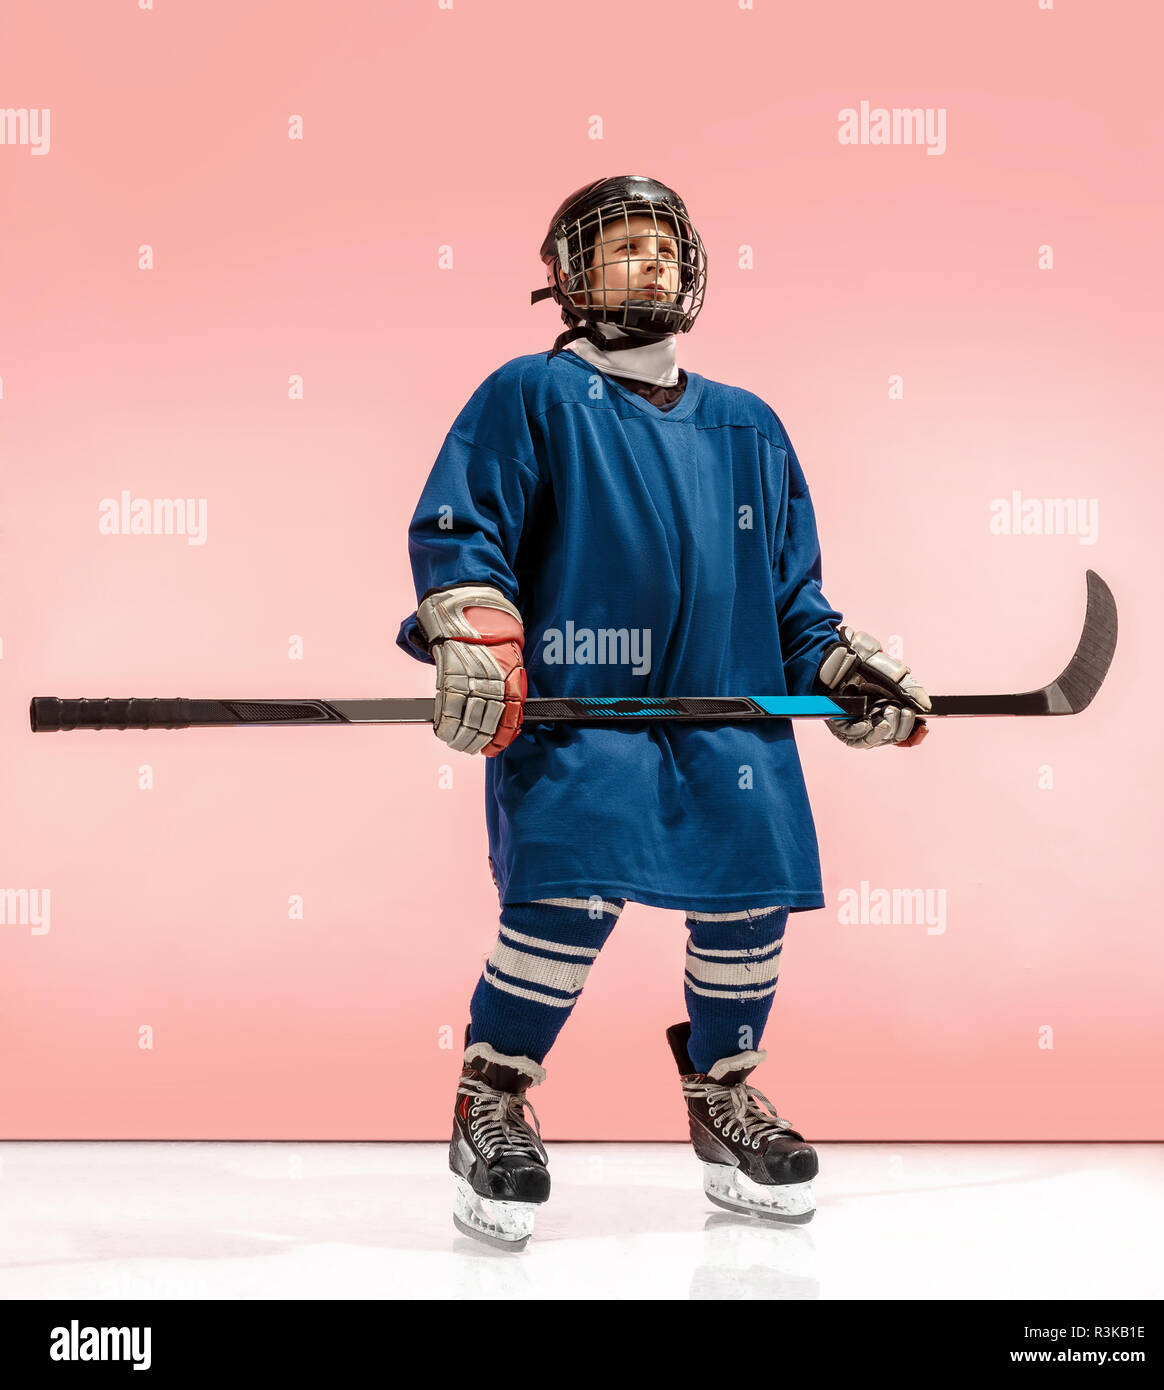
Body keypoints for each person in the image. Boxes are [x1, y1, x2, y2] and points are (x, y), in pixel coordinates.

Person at [396, 175, 931, 1250]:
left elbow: (793, 596)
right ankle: (489, 1099)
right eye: (617, 248)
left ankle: (723, 1095)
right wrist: (473, 626)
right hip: (582, 710)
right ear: (566, 277)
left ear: (692, 271)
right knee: (566, 900)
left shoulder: (748, 423)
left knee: (747, 904)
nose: (643, 265)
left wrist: (838, 669)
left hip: (728, 714)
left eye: (660, 247)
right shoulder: (528, 395)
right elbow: (465, 531)